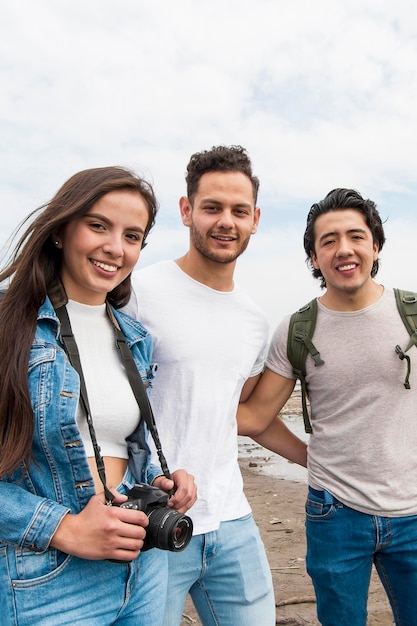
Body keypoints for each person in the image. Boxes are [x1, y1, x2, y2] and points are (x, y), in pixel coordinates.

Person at [0, 166, 197, 626]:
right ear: (60, 231)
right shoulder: (9, 323)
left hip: (140, 567)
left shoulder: (135, 337)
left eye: (133, 235)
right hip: (46, 577)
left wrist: (163, 482)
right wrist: (64, 528)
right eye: (98, 226)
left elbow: (117, 444)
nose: (115, 247)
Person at [125, 145, 307, 626]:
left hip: (232, 518)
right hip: (152, 522)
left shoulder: (252, 319)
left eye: (238, 211)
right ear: (187, 211)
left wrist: (318, 459)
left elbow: (241, 414)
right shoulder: (136, 294)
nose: (225, 221)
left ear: (255, 219)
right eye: (212, 207)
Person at [237, 188, 417, 626]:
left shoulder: (412, 312)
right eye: (328, 241)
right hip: (335, 514)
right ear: (314, 259)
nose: (344, 249)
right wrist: (308, 456)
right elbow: (255, 418)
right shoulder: (297, 329)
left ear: (375, 246)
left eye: (355, 236)